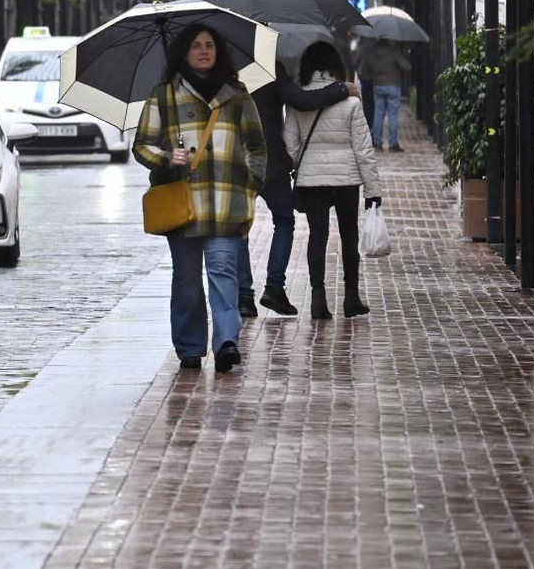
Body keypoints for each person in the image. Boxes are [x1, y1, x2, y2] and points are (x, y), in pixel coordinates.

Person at [134, 25, 267, 373]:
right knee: (188, 281)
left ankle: (226, 341)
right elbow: (142, 144)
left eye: (210, 45)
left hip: (226, 204)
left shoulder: (237, 95)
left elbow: (256, 146)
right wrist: (166, 158)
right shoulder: (164, 96)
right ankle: (190, 347)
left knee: (224, 274)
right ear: (184, 52)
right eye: (196, 46)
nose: (204, 51)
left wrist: (251, 185)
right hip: (184, 207)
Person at [237, 66, 350, 317]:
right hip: (271, 163)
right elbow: (302, 100)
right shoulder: (268, 65)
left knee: (239, 228)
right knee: (284, 220)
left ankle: (243, 295)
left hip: (238, 164)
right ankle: (274, 287)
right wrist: (341, 88)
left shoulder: (226, 69)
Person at [285, 42, 383, 320]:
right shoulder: (351, 102)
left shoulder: (298, 101)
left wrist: (302, 165)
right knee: (348, 236)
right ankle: (351, 298)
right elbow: (363, 149)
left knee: (318, 236)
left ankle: (318, 299)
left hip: (312, 180)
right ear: (336, 67)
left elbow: (290, 145)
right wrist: (373, 190)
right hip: (346, 181)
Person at [361, 39, 411, 151]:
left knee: (378, 115)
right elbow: (407, 66)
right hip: (393, 85)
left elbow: (366, 71)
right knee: (393, 115)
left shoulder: (372, 52)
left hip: (378, 86)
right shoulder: (393, 51)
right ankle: (393, 144)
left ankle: (377, 143)